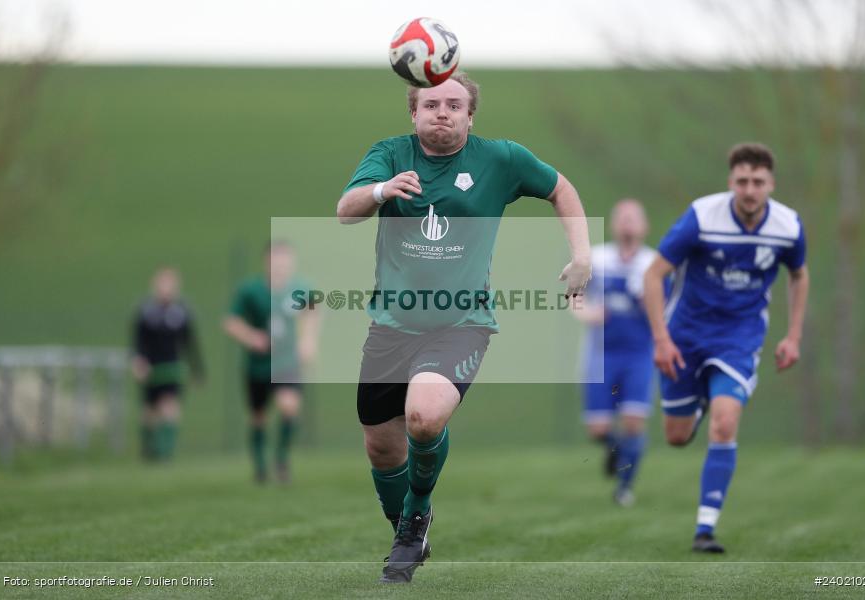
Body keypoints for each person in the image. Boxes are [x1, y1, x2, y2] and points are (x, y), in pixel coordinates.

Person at [336, 71, 592, 583]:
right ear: (414, 113)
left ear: (471, 115)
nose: (443, 113)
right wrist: (383, 190)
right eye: (431, 105)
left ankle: (416, 519)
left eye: (455, 105)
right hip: (390, 325)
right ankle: (408, 528)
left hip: (460, 322)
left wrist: (582, 255)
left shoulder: (501, 159)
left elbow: (561, 188)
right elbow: (345, 211)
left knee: (425, 417)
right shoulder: (389, 153)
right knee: (381, 446)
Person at [643, 143, 809, 553]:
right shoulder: (701, 216)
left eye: (758, 182)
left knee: (725, 421)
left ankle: (705, 528)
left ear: (771, 184)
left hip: (740, 335)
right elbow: (653, 275)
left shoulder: (788, 226)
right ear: (730, 182)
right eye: (742, 181)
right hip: (686, 335)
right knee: (677, 437)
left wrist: (793, 336)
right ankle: (698, 405)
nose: (749, 190)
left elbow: (799, 275)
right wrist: (662, 340)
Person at [573, 199, 656, 507]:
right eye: (622, 218)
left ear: (644, 226)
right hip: (600, 354)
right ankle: (618, 450)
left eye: (633, 218)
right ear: (613, 224)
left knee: (634, 422)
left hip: (638, 354)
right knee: (598, 429)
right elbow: (573, 293)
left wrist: (647, 301)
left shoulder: (653, 264)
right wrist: (587, 313)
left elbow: (666, 309)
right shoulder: (598, 258)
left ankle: (624, 488)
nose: (627, 224)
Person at [223, 241, 320, 484]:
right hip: (258, 365)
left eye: (285, 261)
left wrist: (308, 339)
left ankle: (282, 460)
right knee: (258, 416)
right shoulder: (250, 290)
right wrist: (251, 337)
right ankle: (260, 466)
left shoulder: (300, 288)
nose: (281, 266)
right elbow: (231, 321)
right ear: (265, 262)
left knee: (289, 407)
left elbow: (313, 310)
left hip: (287, 362)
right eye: (276, 261)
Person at [131, 267, 204, 461]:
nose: (166, 289)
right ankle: (149, 449)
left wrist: (197, 370)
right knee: (150, 411)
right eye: (162, 284)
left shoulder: (181, 313)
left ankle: (166, 453)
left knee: (170, 407)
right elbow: (138, 341)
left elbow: (190, 343)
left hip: (172, 367)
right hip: (151, 367)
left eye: (170, 285)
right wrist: (138, 361)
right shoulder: (146, 312)